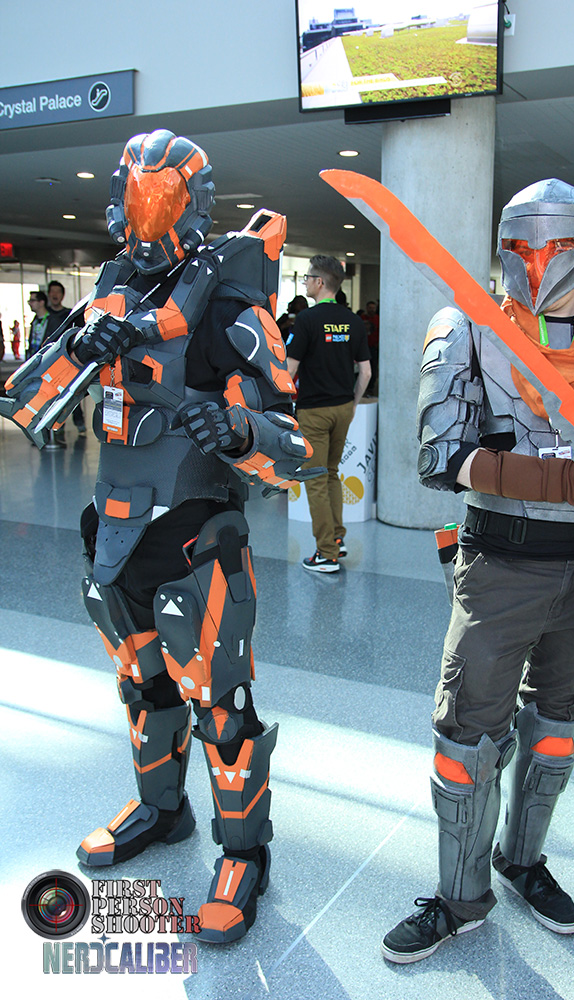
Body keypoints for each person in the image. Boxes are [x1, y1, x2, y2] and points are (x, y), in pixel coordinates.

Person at [2, 129, 316, 944]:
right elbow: (30, 404)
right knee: (145, 688)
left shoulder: (227, 301)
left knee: (222, 706)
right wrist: (79, 342)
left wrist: (237, 427)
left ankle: (243, 855)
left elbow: (292, 449)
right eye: (136, 192)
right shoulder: (110, 288)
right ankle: (161, 809)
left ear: (191, 201)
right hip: (115, 531)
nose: (147, 209)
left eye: (162, 194)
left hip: (192, 535)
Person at [381, 178, 574, 963]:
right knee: (466, 736)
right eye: (519, 245)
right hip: (498, 568)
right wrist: (563, 482)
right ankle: (459, 897)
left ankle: (522, 860)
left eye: (557, 244)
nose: (537, 262)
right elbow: (439, 458)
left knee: (557, 729)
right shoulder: (467, 328)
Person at [287, 255, 371, 572]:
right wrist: (353, 403)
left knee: (316, 480)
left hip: (314, 411)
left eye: (308, 278)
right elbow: (365, 372)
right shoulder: (353, 321)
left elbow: (289, 370)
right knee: (332, 472)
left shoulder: (306, 320)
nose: (305, 282)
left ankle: (326, 554)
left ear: (320, 282)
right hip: (343, 408)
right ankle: (337, 537)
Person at [48, 280, 86, 436]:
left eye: (58, 291)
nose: (55, 295)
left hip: (68, 361)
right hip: (50, 362)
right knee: (52, 395)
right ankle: (56, 425)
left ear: (62, 295)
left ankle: (79, 422)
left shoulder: (70, 315)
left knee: (72, 392)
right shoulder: (45, 316)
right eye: (52, 291)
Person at [26, 291, 51, 356]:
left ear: (41, 302)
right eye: (29, 301)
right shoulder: (34, 321)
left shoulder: (52, 321)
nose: (30, 303)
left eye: (32, 301)